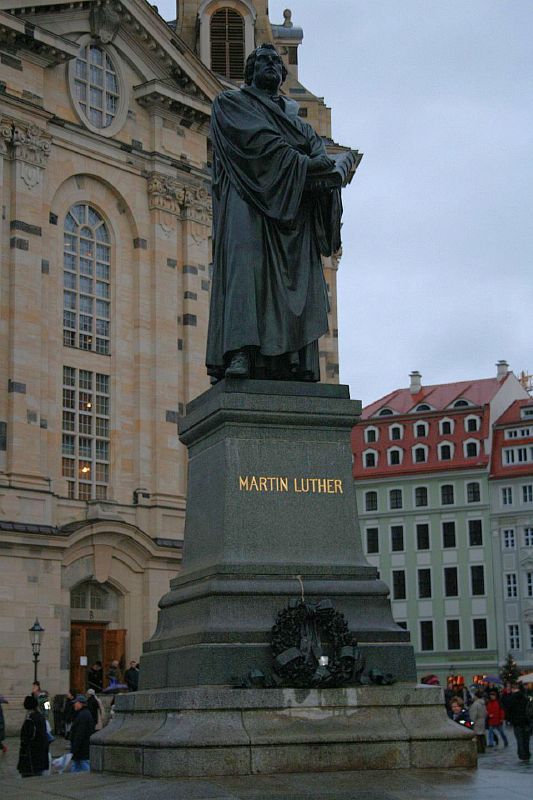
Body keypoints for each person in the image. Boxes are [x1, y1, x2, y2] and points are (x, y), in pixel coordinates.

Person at [206, 43, 345, 383]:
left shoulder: (300, 124)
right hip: (247, 201)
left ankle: (293, 362)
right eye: (262, 60)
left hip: (293, 215)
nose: (270, 65)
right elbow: (257, 146)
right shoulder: (230, 104)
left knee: (296, 281)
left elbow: (320, 157)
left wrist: (327, 172)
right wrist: (309, 165)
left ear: (282, 75)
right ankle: (240, 350)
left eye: (275, 62)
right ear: (250, 71)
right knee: (244, 271)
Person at [17, 695, 49, 777]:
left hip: (31, 755)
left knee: (31, 776)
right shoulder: (40, 717)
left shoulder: (30, 719)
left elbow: (27, 737)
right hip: (41, 752)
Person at [505, 683, 531, 762]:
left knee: (519, 740)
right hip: (526, 721)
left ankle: (522, 755)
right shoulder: (525, 697)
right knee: (526, 739)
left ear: (513, 689)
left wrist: (509, 720)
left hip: (517, 722)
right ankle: (527, 754)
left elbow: (508, 710)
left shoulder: (511, 698)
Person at [69, 694, 95, 772]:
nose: (74, 704)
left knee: (83, 769)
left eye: (76, 702)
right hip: (82, 750)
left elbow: (79, 734)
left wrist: (74, 748)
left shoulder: (83, 715)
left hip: (82, 750)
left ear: (80, 703)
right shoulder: (84, 714)